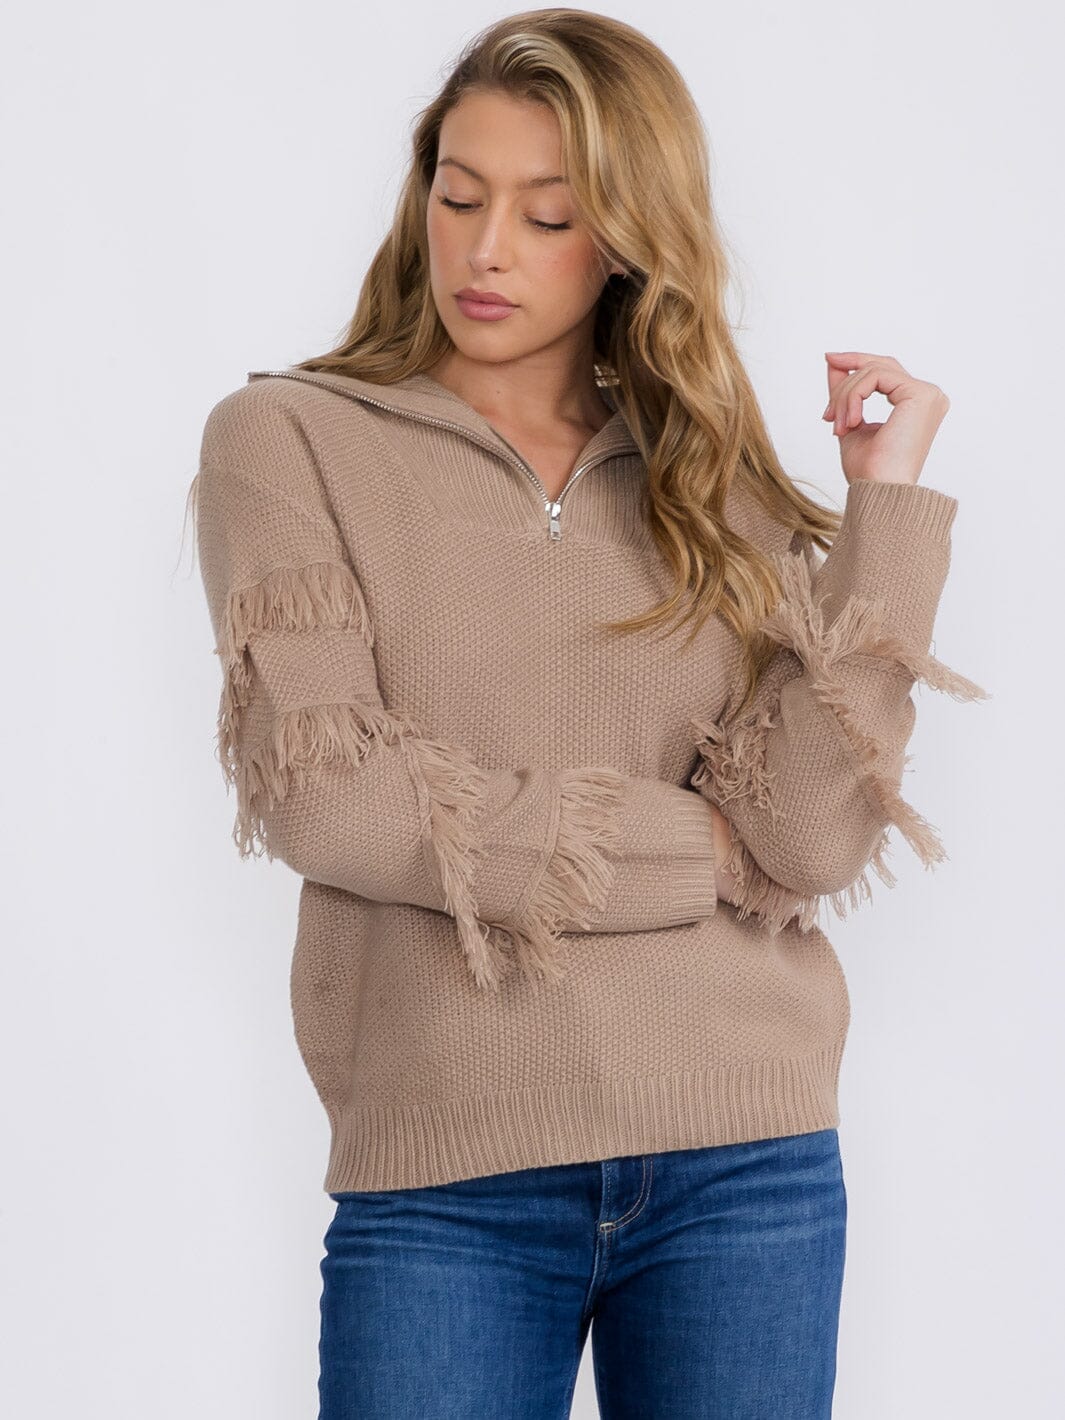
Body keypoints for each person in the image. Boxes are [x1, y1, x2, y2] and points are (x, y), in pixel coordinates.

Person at [188, 9, 988, 1417]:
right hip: (448, 1176)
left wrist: (886, 512)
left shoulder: (708, 474)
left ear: (625, 234)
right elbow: (334, 798)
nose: (486, 249)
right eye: (459, 195)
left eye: (548, 215)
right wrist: (701, 850)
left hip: (746, 1161)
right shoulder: (289, 439)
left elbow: (806, 838)